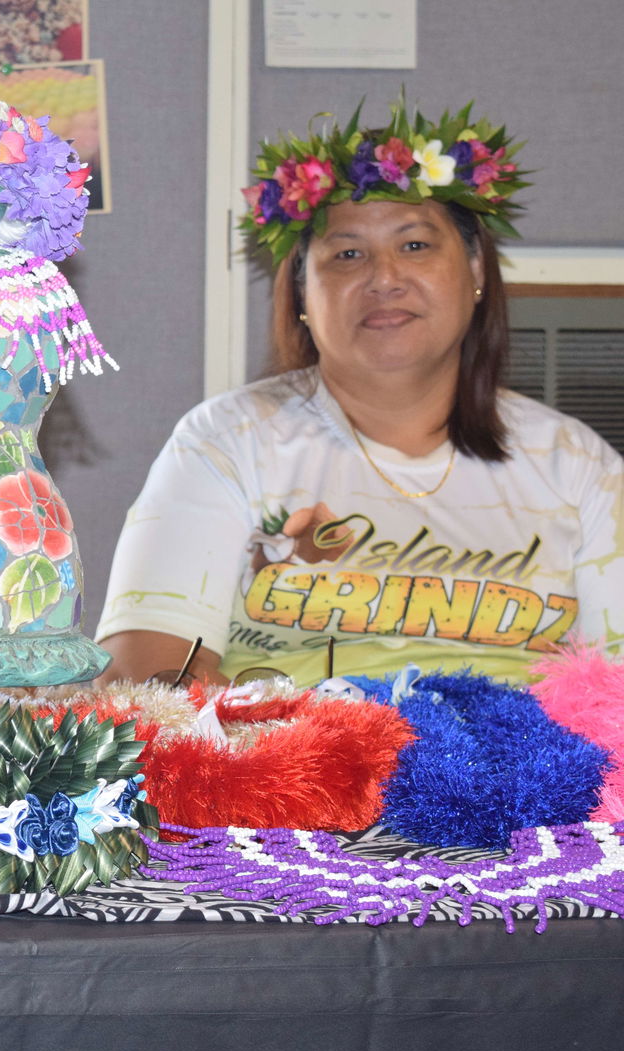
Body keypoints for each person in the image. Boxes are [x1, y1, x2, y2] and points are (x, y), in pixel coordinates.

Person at [96, 99, 624, 688]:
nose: (384, 278)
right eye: (347, 254)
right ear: (302, 293)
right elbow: (143, 670)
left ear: (476, 269)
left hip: (527, 748)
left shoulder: (577, 464)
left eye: (415, 245)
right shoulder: (225, 440)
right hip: (291, 745)